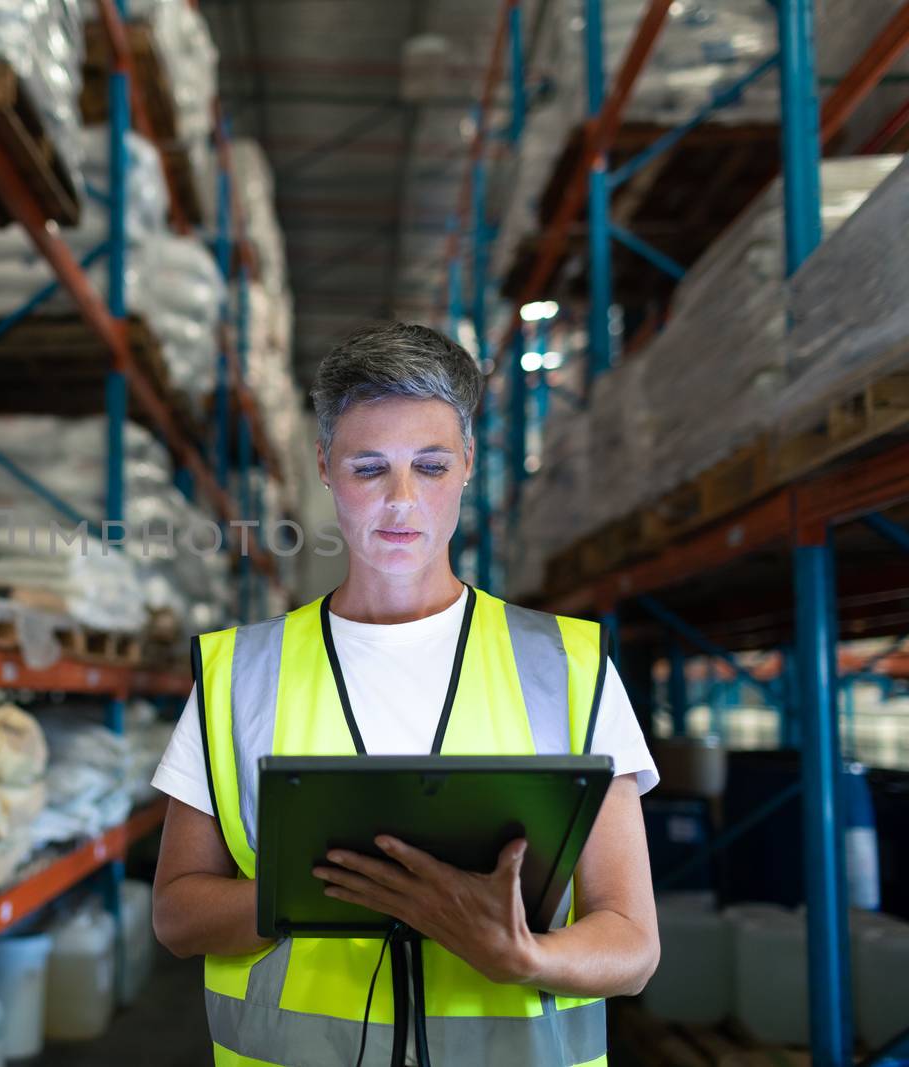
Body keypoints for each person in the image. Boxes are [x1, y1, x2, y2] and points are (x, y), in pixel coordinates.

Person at [150, 322, 659, 1066]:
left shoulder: (568, 667)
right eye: (368, 467)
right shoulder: (240, 672)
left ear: (468, 465)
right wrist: (330, 891)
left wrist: (522, 955)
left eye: (429, 465)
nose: (400, 499)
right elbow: (177, 914)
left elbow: (633, 943)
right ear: (324, 466)